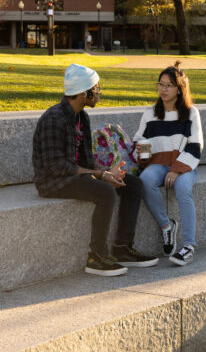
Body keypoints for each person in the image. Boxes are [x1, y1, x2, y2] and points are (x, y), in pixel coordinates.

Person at [32, 64, 158, 277]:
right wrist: (99, 176)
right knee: (105, 192)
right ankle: (96, 256)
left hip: (73, 176)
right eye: (96, 88)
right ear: (83, 93)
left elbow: (86, 160)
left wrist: (108, 173)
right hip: (52, 182)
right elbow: (56, 166)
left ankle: (122, 249)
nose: (98, 92)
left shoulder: (81, 117)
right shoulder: (54, 118)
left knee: (133, 184)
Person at [134, 63, 202, 266]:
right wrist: (142, 154)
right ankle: (166, 226)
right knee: (145, 179)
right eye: (160, 84)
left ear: (180, 90)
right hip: (158, 164)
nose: (163, 89)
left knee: (182, 187)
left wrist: (176, 170)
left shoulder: (191, 113)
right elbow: (140, 143)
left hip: (184, 164)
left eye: (169, 85)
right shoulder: (150, 114)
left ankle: (189, 245)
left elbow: (195, 147)